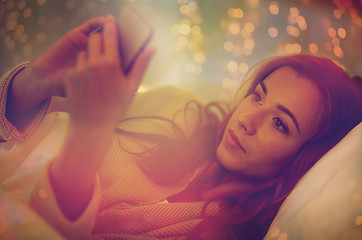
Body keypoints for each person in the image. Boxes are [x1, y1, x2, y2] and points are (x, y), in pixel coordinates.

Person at [0, 15, 361, 240]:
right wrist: (34, 83)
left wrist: (90, 133)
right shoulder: (172, 108)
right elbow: (18, 154)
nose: (247, 119)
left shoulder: (228, 233)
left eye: (280, 124)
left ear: (303, 160)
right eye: (257, 96)